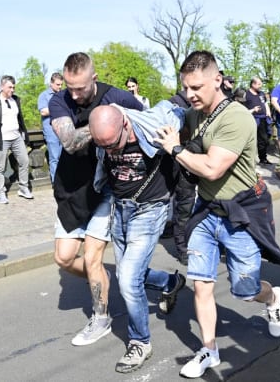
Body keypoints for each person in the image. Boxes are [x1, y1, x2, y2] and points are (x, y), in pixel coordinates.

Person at [154, 51, 280, 379]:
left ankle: (273, 296)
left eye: (197, 87)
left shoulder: (235, 117)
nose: (191, 94)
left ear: (217, 80)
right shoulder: (193, 115)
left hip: (241, 211)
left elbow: (212, 167)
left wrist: (175, 149)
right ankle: (209, 349)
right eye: (186, 88)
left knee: (244, 290)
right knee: (201, 284)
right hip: (206, 211)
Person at [49, 52, 142, 346]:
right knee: (63, 258)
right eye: (69, 86)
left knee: (91, 259)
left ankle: (100, 317)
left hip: (106, 189)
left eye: (81, 87)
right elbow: (70, 142)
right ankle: (141, 279)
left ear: (94, 78)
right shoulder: (59, 101)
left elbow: (144, 126)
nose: (74, 94)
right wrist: (108, 122)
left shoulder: (118, 97)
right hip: (71, 188)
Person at [89, 103, 187, 373]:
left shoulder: (153, 127)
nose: (109, 151)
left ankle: (140, 342)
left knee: (129, 280)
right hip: (120, 208)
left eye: (113, 144)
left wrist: (177, 143)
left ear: (125, 125)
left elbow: (179, 111)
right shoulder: (104, 136)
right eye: (103, 146)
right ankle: (171, 281)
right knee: (125, 274)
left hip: (150, 209)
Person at [0, 75, 32, 204]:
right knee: (0, 167)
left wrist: (24, 134)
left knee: (24, 161)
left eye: (14, 87)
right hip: (2, 139)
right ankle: (1, 193)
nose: (12, 89)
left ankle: (23, 188)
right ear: (2, 87)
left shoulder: (15, 100)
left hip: (16, 137)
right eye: (10, 87)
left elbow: (20, 120)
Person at [167, 87, 195, 265]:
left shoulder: (202, 105)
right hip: (181, 160)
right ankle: (183, 248)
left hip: (195, 158)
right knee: (184, 205)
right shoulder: (173, 105)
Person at [38, 72, 64, 182]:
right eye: (58, 84)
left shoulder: (63, 94)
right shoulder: (44, 96)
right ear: (51, 83)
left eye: (61, 84)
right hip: (51, 131)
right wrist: (58, 108)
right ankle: (56, 182)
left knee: (64, 158)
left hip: (63, 130)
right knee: (54, 158)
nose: (60, 87)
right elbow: (43, 111)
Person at [242, 77, 272, 165]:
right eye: (258, 84)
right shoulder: (246, 94)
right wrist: (253, 109)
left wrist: (268, 111)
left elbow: (265, 103)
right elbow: (242, 109)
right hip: (252, 119)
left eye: (261, 84)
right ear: (253, 84)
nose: (260, 86)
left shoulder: (261, 94)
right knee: (251, 140)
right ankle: (248, 160)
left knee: (264, 139)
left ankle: (263, 158)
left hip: (263, 119)